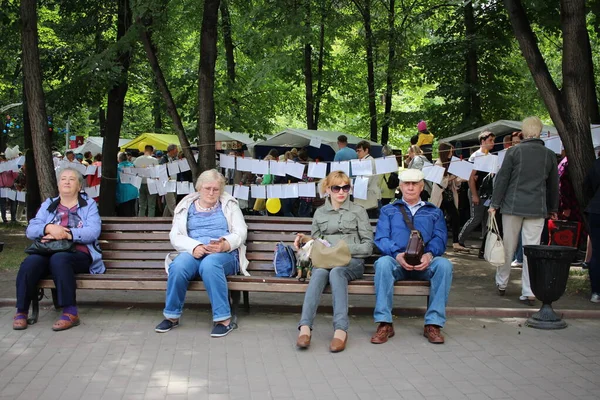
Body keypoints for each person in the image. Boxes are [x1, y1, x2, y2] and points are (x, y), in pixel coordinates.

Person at [155, 169, 248, 337]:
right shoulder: (185, 206)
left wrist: (225, 244)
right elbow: (175, 235)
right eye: (207, 188)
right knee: (178, 266)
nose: (211, 193)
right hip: (194, 251)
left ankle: (223, 319)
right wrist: (194, 247)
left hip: (224, 255)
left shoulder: (230, 205)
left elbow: (241, 232)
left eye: (216, 189)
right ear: (199, 188)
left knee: (210, 264)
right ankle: (171, 316)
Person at [13, 168, 105, 331]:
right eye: (63, 179)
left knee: (60, 259)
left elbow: (93, 232)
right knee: (30, 263)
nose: (67, 182)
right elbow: (31, 229)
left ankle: (70, 312)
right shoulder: (49, 204)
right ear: (58, 184)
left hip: (78, 252)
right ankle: (21, 311)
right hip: (47, 250)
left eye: (72, 179)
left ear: (79, 185)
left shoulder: (88, 204)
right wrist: (48, 228)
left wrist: (65, 233)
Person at [371, 169, 453, 344]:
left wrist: (429, 255)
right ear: (400, 186)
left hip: (425, 263)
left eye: (414, 184)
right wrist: (397, 254)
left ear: (421, 186)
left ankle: (433, 324)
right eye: (406, 184)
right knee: (383, 263)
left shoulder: (434, 212)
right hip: (397, 262)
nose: (410, 187)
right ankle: (385, 323)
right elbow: (381, 238)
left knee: (444, 265)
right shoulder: (389, 210)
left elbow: (440, 238)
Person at [295, 171, 373, 352]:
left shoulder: (358, 211)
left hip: (351, 262)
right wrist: (304, 242)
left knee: (337, 272)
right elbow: (316, 242)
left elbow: (368, 246)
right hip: (324, 261)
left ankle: (340, 329)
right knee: (320, 272)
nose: (341, 192)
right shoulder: (319, 213)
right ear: (327, 189)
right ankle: (305, 327)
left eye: (345, 187)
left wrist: (341, 249)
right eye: (336, 187)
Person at [489, 117, 559, 305]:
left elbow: (502, 180)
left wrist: (495, 204)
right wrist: (553, 208)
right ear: (540, 132)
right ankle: (529, 291)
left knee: (508, 246)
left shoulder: (513, 152)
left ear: (523, 132)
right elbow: (554, 185)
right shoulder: (549, 154)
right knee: (531, 249)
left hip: (512, 206)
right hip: (537, 208)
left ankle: (502, 282)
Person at [457, 131, 496, 249]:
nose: (493, 143)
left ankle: (486, 245)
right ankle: (460, 239)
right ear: (483, 141)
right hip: (477, 191)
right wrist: (474, 194)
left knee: (486, 219)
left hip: (487, 192)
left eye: (493, 140)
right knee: (476, 217)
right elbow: (470, 177)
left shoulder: (491, 157)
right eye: (490, 140)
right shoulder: (476, 156)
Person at [430, 143, 467, 252]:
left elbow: (454, 181)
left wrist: (461, 179)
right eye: (450, 151)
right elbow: (439, 182)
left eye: (452, 151)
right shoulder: (438, 164)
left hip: (449, 196)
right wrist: (452, 178)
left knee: (455, 217)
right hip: (440, 196)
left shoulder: (451, 163)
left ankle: (455, 242)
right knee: (437, 218)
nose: (451, 153)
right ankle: (434, 241)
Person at [585, 157, 600, 303]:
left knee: (596, 252)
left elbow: (587, 187)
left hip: (595, 210)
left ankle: (596, 291)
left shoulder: (596, 163)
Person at [354, 140, 380, 219]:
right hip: (365, 197)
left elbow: (366, 181)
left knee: (369, 222)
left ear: (366, 150)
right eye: (357, 151)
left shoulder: (368, 161)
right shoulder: (366, 160)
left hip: (368, 197)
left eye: (359, 150)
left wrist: (353, 186)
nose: (357, 153)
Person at [134, 145, 159, 217]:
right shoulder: (155, 160)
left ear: (145, 150)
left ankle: (140, 221)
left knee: (141, 205)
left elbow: (134, 170)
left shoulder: (137, 160)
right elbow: (157, 173)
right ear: (152, 151)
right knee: (151, 206)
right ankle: (151, 222)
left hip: (141, 182)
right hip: (152, 184)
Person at [116, 152, 138, 216]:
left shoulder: (118, 168)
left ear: (119, 159)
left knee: (124, 213)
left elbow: (116, 180)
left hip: (123, 193)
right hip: (134, 192)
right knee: (131, 211)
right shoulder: (132, 166)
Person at [160, 144, 179, 217]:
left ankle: (164, 218)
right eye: (176, 150)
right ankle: (177, 218)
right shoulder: (163, 159)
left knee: (169, 204)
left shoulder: (175, 159)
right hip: (167, 183)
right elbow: (161, 170)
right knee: (172, 202)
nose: (177, 151)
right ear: (172, 150)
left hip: (175, 182)